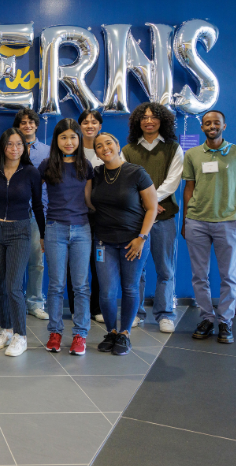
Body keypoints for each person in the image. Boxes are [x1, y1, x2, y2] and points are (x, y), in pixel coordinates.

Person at [183, 110, 236, 344]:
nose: (211, 126)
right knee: (199, 276)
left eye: (216, 122)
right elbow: (188, 188)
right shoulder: (193, 154)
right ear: (202, 127)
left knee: (228, 276)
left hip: (227, 222)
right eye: (207, 123)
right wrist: (186, 219)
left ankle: (225, 321)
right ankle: (206, 318)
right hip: (197, 222)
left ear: (224, 126)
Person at [88, 133, 157, 356]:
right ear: (96, 152)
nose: (104, 148)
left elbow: (152, 208)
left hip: (133, 242)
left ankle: (125, 334)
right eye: (99, 146)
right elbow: (89, 202)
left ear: (118, 146)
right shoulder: (96, 174)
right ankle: (111, 332)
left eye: (109, 143)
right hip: (103, 242)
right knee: (107, 292)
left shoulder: (136, 172)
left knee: (129, 287)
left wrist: (141, 238)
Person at [123, 103, 183, 333]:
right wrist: (147, 204)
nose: (149, 121)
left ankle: (165, 313)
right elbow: (125, 182)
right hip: (135, 219)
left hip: (164, 217)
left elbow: (173, 180)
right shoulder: (128, 150)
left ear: (162, 121)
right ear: (138, 122)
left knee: (165, 269)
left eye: (153, 117)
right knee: (136, 269)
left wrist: (151, 200)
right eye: (144, 117)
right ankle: (136, 313)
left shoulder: (173, 148)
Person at [0, 128, 45, 357]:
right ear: (3, 146)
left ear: (25, 147)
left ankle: (21, 335)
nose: (14, 149)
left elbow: (38, 205)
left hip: (21, 230)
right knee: (1, 284)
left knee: (13, 285)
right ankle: (6, 329)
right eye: (9, 144)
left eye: (18, 144)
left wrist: (43, 235)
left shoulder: (31, 172)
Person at [38, 119, 93, 356]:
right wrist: (42, 229)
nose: (68, 142)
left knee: (80, 286)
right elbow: (32, 194)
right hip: (55, 229)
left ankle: (80, 334)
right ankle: (55, 332)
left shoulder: (86, 166)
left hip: (82, 229)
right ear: (56, 140)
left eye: (73, 137)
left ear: (79, 140)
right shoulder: (47, 165)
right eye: (63, 137)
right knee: (56, 284)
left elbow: (90, 201)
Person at [67, 110, 104, 324]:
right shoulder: (73, 150)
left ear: (100, 125)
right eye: (85, 122)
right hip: (76, 215)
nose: (89, 125)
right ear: (79, 126)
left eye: (94, 122)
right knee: (76, 264)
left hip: (101, 216)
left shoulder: (107, 148)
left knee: (98, 263)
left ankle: (97, 307)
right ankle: (75, 307)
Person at [13, 108, 49, 320]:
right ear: (18, 126)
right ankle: (14, 300)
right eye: (23, 122)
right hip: (15, 213)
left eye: (30, 122)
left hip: (38, 213)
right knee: (14, 261)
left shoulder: (46, 151)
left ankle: (35, 302)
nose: (27, 125)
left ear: (36, 125)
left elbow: (53, 183)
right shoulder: (10, 149)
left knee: (37, 260)